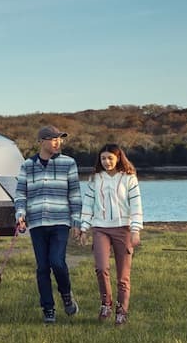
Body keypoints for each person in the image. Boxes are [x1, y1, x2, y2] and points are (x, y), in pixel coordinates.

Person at [14, 125, 83, 324]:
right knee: (42, 267)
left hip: (60, 221)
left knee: (57, 262)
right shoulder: (28, 165)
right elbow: (20, 194)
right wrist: (20, 213)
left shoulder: (69, 163)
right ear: (42, 142)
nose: (57, 142)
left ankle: (66, 294)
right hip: (36, 223)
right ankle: (48, 309)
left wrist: (76, 222)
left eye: (60, 139)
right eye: (53, 139)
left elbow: (75, 195)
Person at [77, 144, 143, 326]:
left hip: (123, 229)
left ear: (118, 158)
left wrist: (135, 230)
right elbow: (88, 205)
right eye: (103, 158)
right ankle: (106, 303)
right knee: (101, 267)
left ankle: (122, 311)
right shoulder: (95, 179)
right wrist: (84, 228)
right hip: (100, 228)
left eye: (110, 158)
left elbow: (136, 205)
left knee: (123, 276)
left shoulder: (129, 179)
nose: (106, 162)